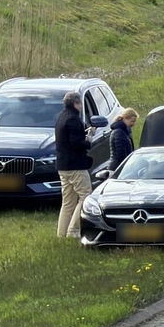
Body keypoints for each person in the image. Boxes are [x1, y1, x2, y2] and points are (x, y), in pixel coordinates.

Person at [55, 91, 94, 239]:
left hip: (63, 166)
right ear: (76, 103)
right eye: (80, 104)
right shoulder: (73, 119)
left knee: (68, 202)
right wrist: (88, 140)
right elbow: (76, 143)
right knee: (85, 196)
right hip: (76, 166)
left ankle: (61, 234)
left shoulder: (61, 116)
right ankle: (73, 231)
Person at [108, 108, 139, 174]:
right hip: (117, 168)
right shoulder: (119, 133)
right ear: (125, 118)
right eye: (132, 121)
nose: (133, 124)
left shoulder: (123, 132)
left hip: (120, 166)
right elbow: (120, 154)